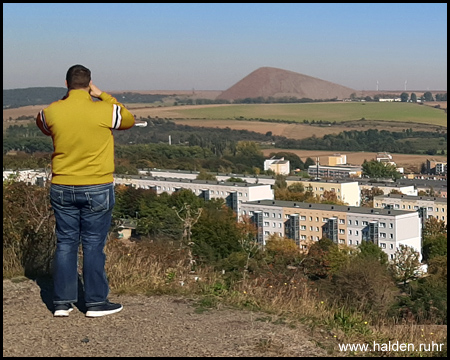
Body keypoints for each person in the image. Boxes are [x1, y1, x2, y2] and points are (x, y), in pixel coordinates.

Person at [36, 65, 135, 317]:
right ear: (89, 83)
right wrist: (102, 95)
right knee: (92, 244)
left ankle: (61, 303)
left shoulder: (51, 111)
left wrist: (68, 99)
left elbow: (43, 124)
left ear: (66, 83)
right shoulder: (105, 109)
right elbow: (128, 119)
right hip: (97, 185)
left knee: (66, 242)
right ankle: (95, 303)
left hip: (62, 185)